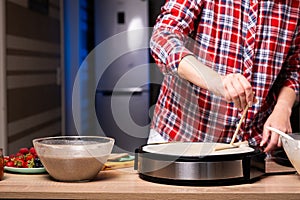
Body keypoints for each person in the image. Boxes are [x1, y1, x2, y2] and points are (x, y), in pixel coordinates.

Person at [148, 0, 300, 153]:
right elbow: (163, 38)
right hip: (180, 138)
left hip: (252, 147)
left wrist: (283, 108)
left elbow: (294, 68)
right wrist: (214, 80)